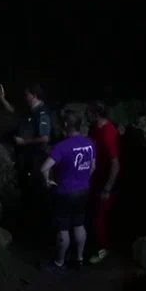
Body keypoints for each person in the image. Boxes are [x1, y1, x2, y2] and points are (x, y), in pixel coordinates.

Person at [39, 111, 96, 274]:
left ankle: (59, 263)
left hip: (64, 192)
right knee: (79, 224)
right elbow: (93, 167)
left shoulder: (61, 147)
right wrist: (83, 179)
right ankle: (78, 259)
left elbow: (44, 168)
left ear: (65, 126)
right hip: (83, 190)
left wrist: (48, 181)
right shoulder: (90, 143)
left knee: (63, 228)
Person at [0, 83, 52, 229]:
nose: (24, 97)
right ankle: (24, 216)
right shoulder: (29, 110)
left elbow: (45, 137)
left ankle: (33, 222)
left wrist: (24, 141)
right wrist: (2, 99)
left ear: (34, 96)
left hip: (35, 157)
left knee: (33, 188)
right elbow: (13, 110)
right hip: (24, 156)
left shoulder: (42, 113)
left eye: (27, 94)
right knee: (24, 186)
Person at [85, 101, 121, 264]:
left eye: (88, 112)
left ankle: (102, 249)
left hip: (105, 182)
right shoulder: (94, 129)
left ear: (95, 114)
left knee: (99, 217)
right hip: (94, 178)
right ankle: (92, 245)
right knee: (92, 214)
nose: (86, 115)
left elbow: (116, 163)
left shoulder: (108, 134)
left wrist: (107, 188)